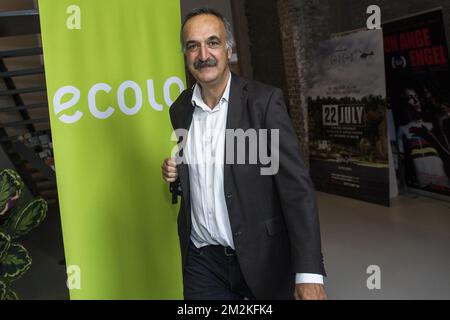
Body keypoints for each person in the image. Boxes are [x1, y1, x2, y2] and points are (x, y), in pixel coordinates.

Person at [161, 8, 326, 300]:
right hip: (202, 262)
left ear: (229, 48)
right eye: (192, 46)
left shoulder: (263, 103)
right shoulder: (180, 109)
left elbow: (296, 190)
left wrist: (309, 272)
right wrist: (175, 172)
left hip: (261, 258)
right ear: (185, 55)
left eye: (212, 42)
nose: (203, 54)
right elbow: (197, 168)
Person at [396, 87, 450, 188]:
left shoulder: (432, 125)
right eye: (410, 97)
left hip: (439, 169)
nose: (416, 101)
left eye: (416, 96)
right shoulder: (403, 129)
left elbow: (444, 148)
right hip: (421, 171)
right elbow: (400, 155)